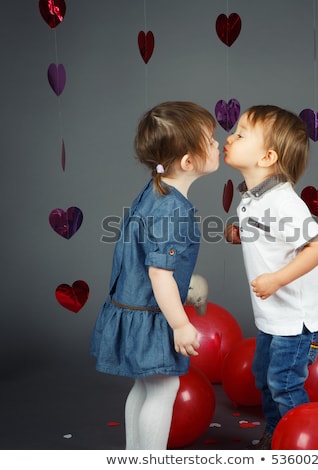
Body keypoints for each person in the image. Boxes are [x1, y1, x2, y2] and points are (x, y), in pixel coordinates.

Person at [90, 101, 220, 450]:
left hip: (132, 308)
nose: (218, 143)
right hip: (152, 315)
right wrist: (179, 324)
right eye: (210, 139)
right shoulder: (174, 210)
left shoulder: (154, 191)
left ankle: (136, 455)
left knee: (144, 386)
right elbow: (160, 273)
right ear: (188, 162)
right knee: (165, 388)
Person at [224, 105, 318, 449]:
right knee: (264, 376)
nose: (229, 137)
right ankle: (278, 430)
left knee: (284, 383)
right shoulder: (254, 195)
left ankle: (302, 444)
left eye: (241, 134)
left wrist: (275, 280)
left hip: (298, 317)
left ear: (267, 157)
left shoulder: (283, 202)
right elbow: (269, 233)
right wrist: (240, 234)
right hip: (274, 315)